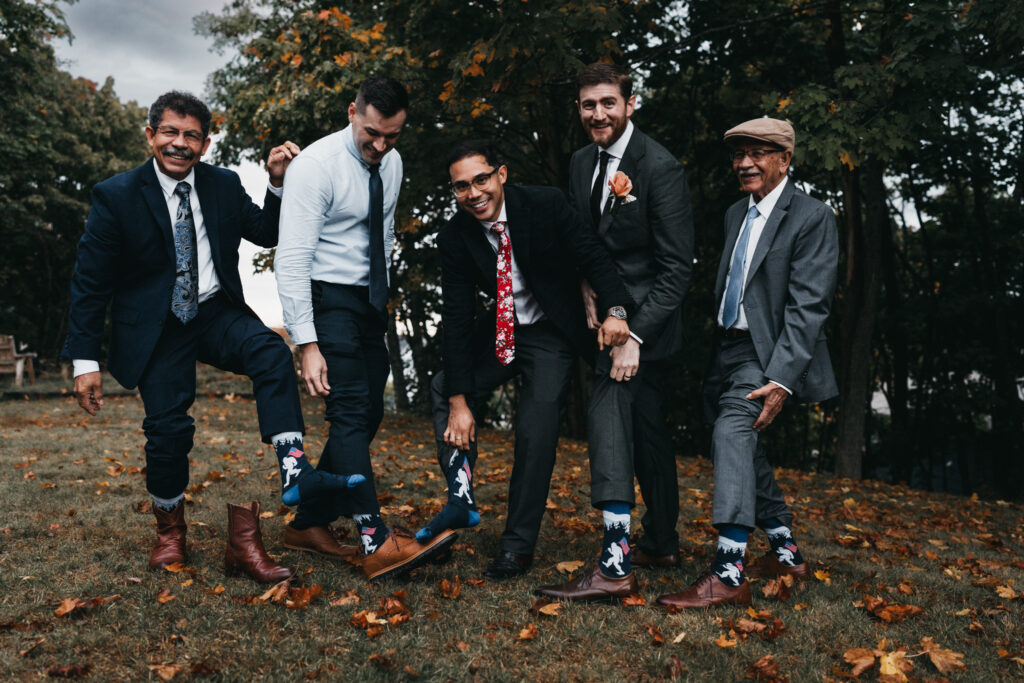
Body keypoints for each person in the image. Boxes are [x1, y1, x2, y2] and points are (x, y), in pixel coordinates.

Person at [64, 91, 361, 584]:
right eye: (170, 133)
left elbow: (267, 231)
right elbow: (90, 284)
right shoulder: (115, 195)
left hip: (214, 312)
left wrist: (278, 182)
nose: (180, 144)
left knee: (270, 350)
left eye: (192, 136)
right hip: (157, 327)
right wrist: (83, 360)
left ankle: (294, 469)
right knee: (167, 431)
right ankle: (169, 529)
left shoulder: (222, 185)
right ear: (150, 135)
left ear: (206, 142)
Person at [419, 139, 635, 580]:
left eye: (480, 180)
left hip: (549, 331)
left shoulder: (544, 204)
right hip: (499, 330)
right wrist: (461, 402)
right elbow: (457, 319)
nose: (473, 193)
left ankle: (517, 547)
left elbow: (593, 255)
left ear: (501, 174)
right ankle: (461, 498)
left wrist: (616, 311)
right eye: (461, 187)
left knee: (536, 430)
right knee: (446, 386)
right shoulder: (455, 236)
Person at [275, 76, 455, 582]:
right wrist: (306, 343)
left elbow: (384, 231)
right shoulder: (314, 168)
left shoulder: (391, 162)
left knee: (370, 408)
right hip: (323, 296)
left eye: (391, 136)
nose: (380, 146)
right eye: (372, 133)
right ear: (352, 111)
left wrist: (381, 296)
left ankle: (308, 523)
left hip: (368, 301)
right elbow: (290, 259)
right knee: (350, 408)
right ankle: (374, 539)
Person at [656, 117, 838, 609]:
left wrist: (782, 377)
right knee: (742, 448)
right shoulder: (737, 212)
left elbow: (809, 306)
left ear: (785, 159)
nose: (745, 163)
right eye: (739, 154)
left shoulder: (812, 216)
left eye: (758, 153)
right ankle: (785, 552)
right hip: (727, 347)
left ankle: (729, 570)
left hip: (770, 352)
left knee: (732, 432)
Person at [535, 62, 694, 601]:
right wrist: (584, 283)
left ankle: (614, 560)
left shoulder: (661, 167)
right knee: (647, 432)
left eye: (607, 102)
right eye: (587, 105)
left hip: (646, 323)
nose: (597, 113)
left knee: (608, 416)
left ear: (630, 104)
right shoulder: (583, 163)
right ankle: (664, 542)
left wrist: (634, 334)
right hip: (602, 317)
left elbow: (677, 270)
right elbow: (584, 237)